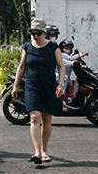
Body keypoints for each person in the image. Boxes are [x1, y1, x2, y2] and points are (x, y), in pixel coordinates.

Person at [11, 18, 65, 164]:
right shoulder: (27, 47)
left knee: (47, 119)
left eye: (38, 33)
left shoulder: (53, 48)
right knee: (34, 117)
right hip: (32, 86)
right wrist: (15, 86)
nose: (35, 36)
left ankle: (44, 150)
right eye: (33, 33)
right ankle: (36, 152)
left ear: (44, 33)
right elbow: (21, 67)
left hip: (49, 86)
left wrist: (60, 84)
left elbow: (61, 66)